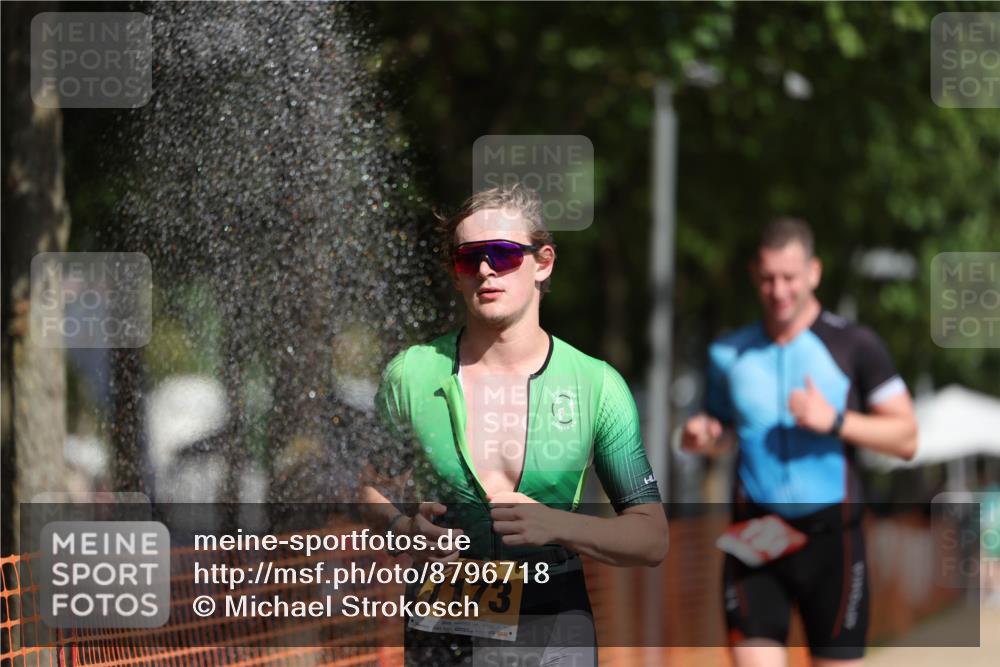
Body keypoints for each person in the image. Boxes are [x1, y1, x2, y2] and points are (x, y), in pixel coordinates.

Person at [359, 185, 668, 666]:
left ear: (543, 263)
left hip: (554, 616)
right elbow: (369, 490)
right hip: (444, 616)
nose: (485, 269)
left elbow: (651, 537)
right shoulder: (411, 374)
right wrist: (403, 527)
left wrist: (557, 525)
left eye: (503, 255)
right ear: (456, 274)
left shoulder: (595, 385)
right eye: (468, 258)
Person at [682, 218, 918, 667]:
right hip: (756, 540)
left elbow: (907, 438)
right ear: (754, 275)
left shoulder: (855, 345)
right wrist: (704, 437)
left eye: (789, 277)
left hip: (833, 544)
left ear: (814, 272)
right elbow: (722, 430)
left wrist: (834, 421)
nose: (779, 290)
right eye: (768, 278)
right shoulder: (728, 353)